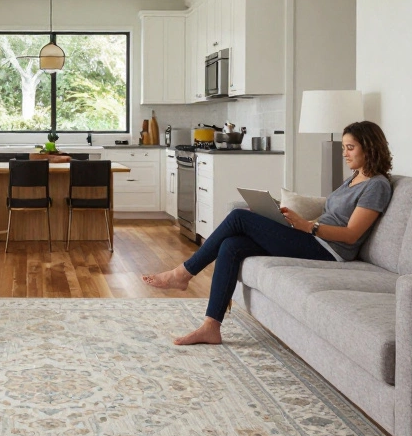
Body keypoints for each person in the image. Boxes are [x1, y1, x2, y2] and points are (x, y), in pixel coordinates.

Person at [143, 120, 394, 345]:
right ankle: (211, 326)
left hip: (330, 250)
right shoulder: (354, 178)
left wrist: (308, 227)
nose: (345, 153)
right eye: (344, 147)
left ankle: (182, 273)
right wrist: (292, 221)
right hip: (314, 238)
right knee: (232, 245)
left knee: (239, 217)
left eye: (350, 148)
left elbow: (351, 234)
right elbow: (331, 215)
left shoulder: (376, 185)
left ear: (369, 148)